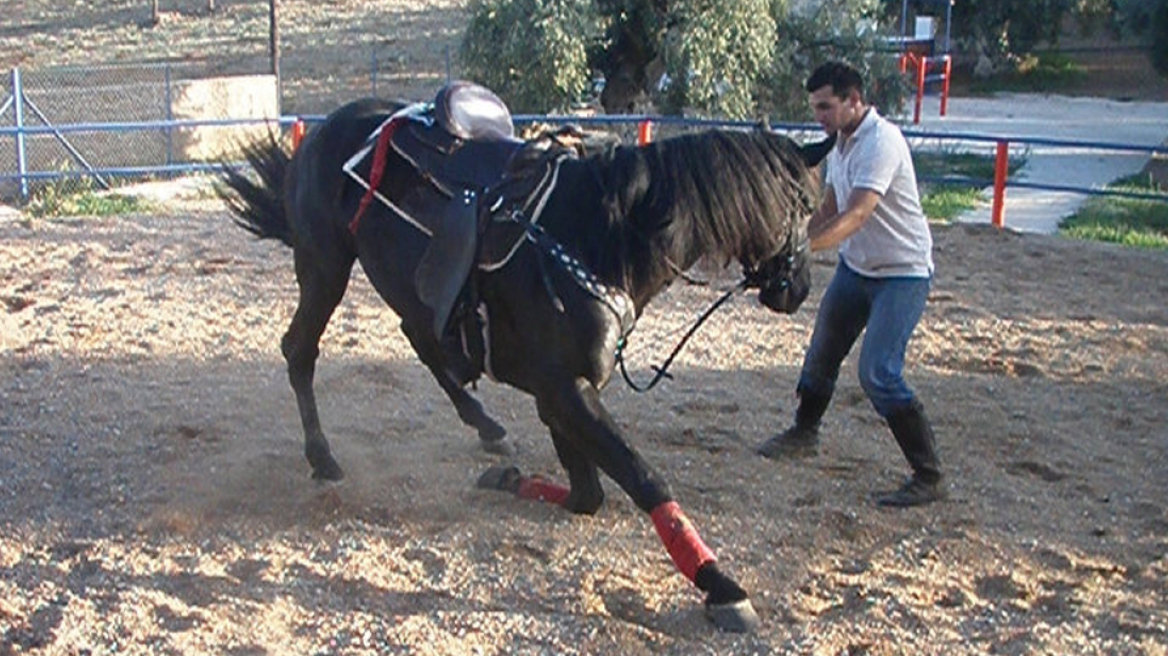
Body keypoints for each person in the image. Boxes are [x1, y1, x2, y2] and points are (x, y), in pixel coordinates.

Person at [756, 61, 944, 507]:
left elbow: (859, 213)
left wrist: (803, 251)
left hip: (902, 274)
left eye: (825, 106)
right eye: (815, 107)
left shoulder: (881, 142)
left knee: (878, 372)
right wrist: (792, 238)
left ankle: (929, 474)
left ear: (854, 100)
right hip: (857, 271)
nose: (818, 115)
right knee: (821, 354)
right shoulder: (841, 144)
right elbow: (832, 206)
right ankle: (804, 433)